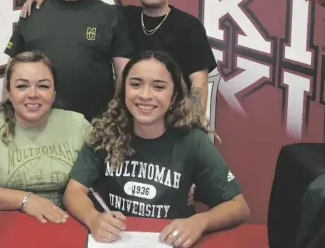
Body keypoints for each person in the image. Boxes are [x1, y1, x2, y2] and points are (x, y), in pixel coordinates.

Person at [62, 50, 250, 247]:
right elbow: (73, 191)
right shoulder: (104, 132)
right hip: (114, 240)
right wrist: (93, 218)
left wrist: (201, 222)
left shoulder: (193, 141)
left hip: (169, 241)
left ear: (174, 94)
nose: (145, 95)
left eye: (158, 87)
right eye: (135, 84)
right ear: (123, 88)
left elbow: (239, 207)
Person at [21, 0, 216, 118]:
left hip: (174, 119)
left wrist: (194, 124)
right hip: (134, 121)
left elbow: (199, 82)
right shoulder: (121, 17)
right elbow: (79, 4)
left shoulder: (189, 26)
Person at [4, 0, 134, 122]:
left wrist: (119, 117)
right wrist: (5, 112)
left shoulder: (110, 15)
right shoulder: (32, 12)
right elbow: (12, 69)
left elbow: (124, 73)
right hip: (38, 123)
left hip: (95, 124)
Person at [0, 51, 92, 224]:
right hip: (9, 227)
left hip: (67, 225)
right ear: (9, 92)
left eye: (43, 86)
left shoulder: (77, 123)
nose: (33, 94)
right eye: (22, 86)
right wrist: (25, 200)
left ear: (54, 93)